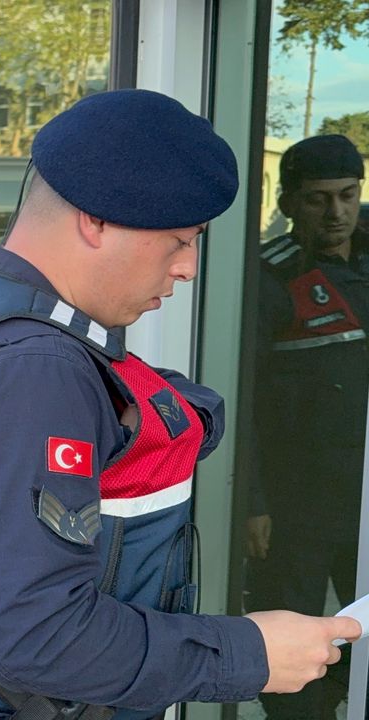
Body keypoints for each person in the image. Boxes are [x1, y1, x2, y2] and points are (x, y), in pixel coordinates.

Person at [0, 89, 362, 720]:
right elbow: (38, 637)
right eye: (180, 239)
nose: (189, 267)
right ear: (97, 219)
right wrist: (249, 652)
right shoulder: (28, 369)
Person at [247, 133, 367, 720]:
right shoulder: (268, 279)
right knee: (292, 646)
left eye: (348, 194)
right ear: (289, 202)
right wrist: (251, 503)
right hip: (295, 502)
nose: (337, 212)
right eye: (319, 199)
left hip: (362, 498)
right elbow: (243, 400)